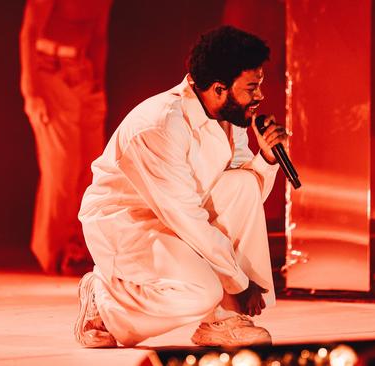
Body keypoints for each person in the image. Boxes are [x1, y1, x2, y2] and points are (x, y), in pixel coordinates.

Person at [74, 26, 290, 347]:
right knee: (203, 291)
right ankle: (106, 304)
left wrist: (268, 159)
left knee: (243, 182)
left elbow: (244, 199)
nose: (259, 96)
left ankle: (222, 321)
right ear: (219, 88)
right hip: (129, 225)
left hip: (180, 216)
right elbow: (185, 217)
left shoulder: (228, 116)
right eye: (252, 88)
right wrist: (238, 283)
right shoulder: (160, 125)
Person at [19, 0, 113, 275]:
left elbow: (99, 37)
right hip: (48, 70)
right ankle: (54, 251)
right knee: (63, 168)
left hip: (83, 72)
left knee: (93, 168)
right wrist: (31, 91)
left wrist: (99, 83)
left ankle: (78, 249)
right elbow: (29, 31)